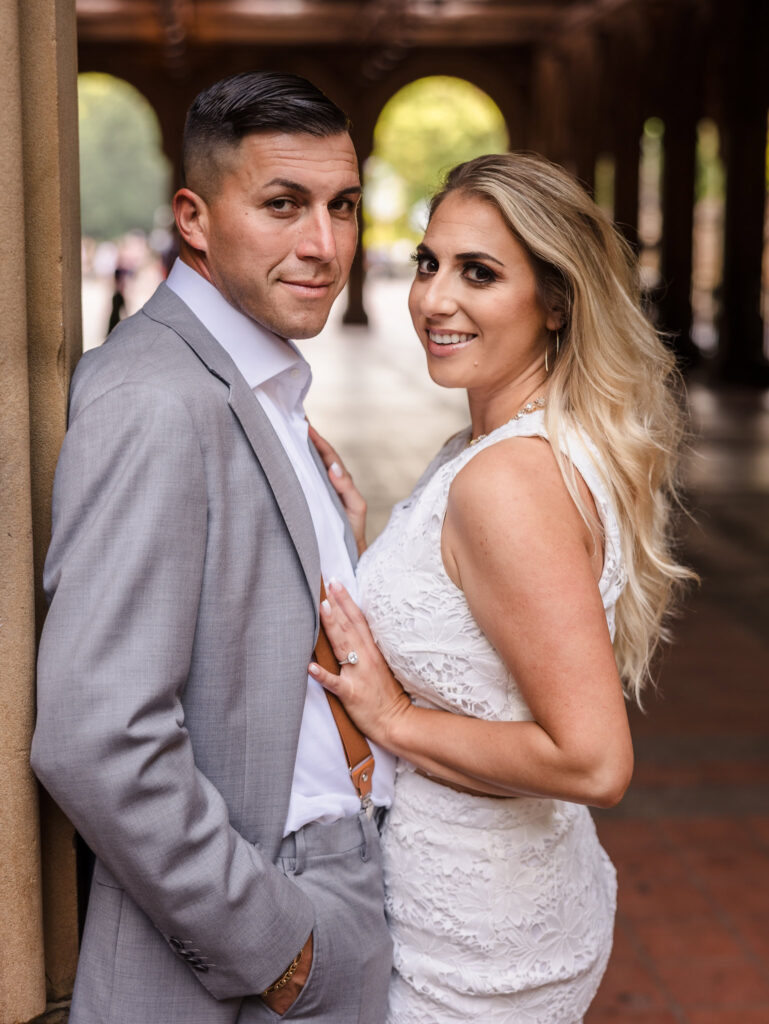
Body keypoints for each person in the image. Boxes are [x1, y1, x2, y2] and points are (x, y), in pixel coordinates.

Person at [31, 71, 395, 1024]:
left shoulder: (256, 383)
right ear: (193, 218)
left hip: (333, 879)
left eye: (342, 206)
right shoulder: (156, 399)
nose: (325, 244)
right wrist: (279, 949)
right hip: (254, 938)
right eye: (283, 205)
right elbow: (96, 735)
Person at [310, 152, 693, 1022]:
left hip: (472, 949)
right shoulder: (502, 449)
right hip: (513, 893)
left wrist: (396, 721)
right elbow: (477, 628)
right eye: (427, 262)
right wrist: (374, 546)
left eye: (478, 273)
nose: (433, 299)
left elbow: (593, 761)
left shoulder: (503, 483)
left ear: (555, 301)